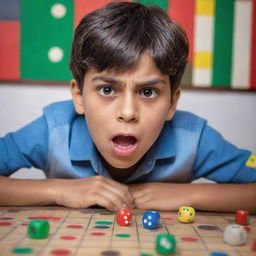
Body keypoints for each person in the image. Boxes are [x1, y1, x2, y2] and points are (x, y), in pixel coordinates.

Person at [0, 1, 255, 213]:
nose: (128, 113)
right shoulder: (53, 129)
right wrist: (57, 190)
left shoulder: (194, 138)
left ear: (172, 103)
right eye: (107, 90)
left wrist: (189, 193)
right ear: (78, 96)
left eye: (148, 92)